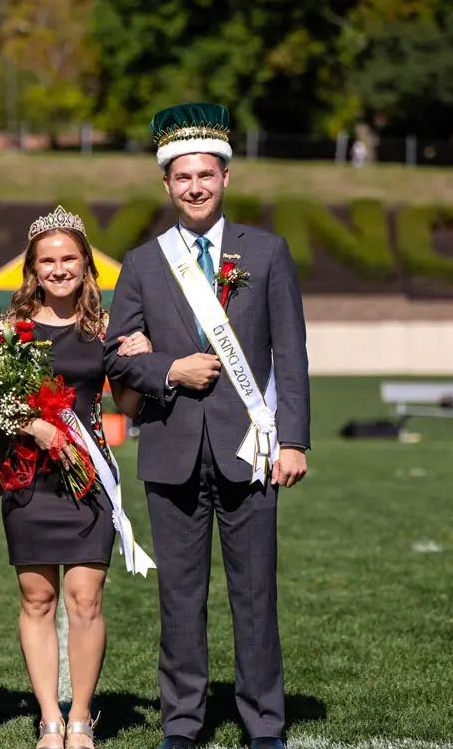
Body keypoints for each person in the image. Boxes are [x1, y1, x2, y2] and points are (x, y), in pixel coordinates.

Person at [103, 103, 310, 749]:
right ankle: (183, 724)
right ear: (165, 184)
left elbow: (291, 353)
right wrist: (170, 370)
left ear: (226, 177)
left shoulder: (268, 252)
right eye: (181, 177)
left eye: (206, 175)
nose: (194, 187)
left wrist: (295, 438)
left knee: (255, 597)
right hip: (169, 449)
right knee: (180, 602)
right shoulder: (141, 263)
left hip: (250, 450)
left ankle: (264, 725)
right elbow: (116, 356)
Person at [0, 206, 155, 749]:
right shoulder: (10, 330)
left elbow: (126, 402)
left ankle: (80, 715)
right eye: (47, 261)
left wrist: (141, 359)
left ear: (86, 264)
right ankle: (48, 718)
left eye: (69, 259)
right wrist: (33, 427)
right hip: (29, 477)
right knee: (37, 598)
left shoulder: (105, 327)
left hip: (89, 477)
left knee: (86, 598)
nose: (59, 269)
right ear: (32, 269)